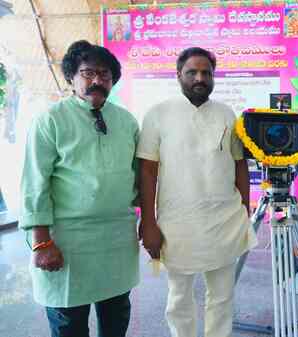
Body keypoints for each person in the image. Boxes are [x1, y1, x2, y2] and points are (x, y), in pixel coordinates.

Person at [19, 40, 139, 337]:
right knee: (68, 324)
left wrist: (151, 220)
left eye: (106, 75)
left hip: (116, 240)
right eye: (88, 73)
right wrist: (41, 241)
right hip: (66, 241)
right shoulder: (51, 120)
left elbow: (139, 179)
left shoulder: (125, 121)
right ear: (72, 77)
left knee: (115, 321)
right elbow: (35, 182)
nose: (98, 80)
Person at [137, 47, 257, 337]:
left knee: (223, 296)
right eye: (192, 72)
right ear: (179, 75)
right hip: (178, 223)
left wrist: (244, 208)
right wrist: (149, 222)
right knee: (179, 298)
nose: (200, 78)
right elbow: (147, 171)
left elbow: (239, 164)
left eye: (207, 72)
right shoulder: (158, 114)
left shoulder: (227, 113)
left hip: (225, 221)